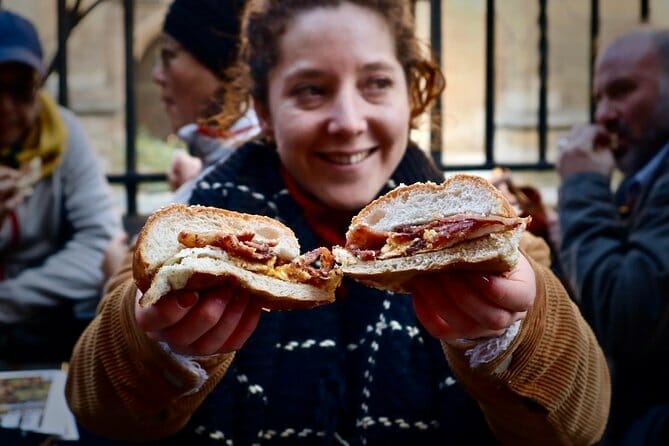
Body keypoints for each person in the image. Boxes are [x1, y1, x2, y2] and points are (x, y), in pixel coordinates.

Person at [66, 1, 610, 444]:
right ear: (265, 110)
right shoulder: (191, 225)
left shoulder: (494, 237)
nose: (348, 122)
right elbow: (95, 406)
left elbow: (581, 424)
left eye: (376, 83)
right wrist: (155, 348)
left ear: (410, 96)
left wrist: (515, 336)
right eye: (310, 90)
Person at [556, 28, 669, 446]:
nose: (604, 114)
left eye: (622, 92)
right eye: (600, 97)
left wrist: (582, 186)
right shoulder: (643, 180)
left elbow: (626, 313)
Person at [0, 9, 123, 366]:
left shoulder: (61, 133)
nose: (5, 106)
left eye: (20, 90)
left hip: (45, 325)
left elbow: (100, 244)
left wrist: (9, 300)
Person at [153, 0, 259, 203]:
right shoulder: (221, 170)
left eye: (169, 55)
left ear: (222, 65)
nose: (157, 75)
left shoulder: (247, 181)